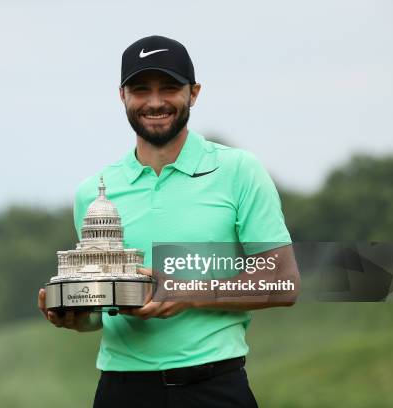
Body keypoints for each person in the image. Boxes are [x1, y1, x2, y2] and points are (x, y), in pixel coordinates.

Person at [37, 35, 300, 408]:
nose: (155, 102)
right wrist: (75, 315)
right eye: (141, 90)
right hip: (120, 390)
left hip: (213, 386)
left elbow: (283, 282)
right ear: (122, 96)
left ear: (193, 93)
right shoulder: (91, 192)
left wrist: (186, 293)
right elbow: (102, 315)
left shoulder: (239, 171)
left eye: (170, 88)